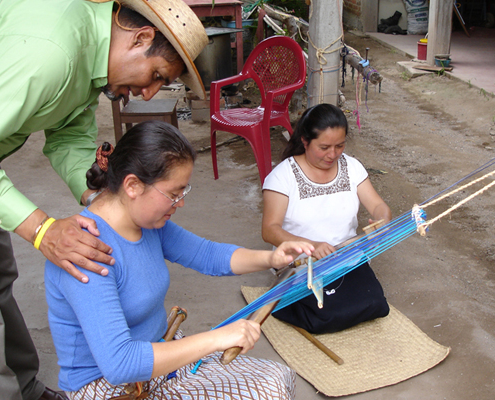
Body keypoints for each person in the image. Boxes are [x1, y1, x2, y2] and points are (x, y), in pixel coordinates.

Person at [0, 0, 208, 399]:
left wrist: (99, 197)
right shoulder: (50, 49)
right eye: (156, 75)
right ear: (141, 37)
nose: (148, 93)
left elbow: (68, 138)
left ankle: (25, 389)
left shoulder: (87, 62)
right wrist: (43, 230)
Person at [44, 120, 313, 399]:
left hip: (161, 354)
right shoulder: (84, 250)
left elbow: (207, 255)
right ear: (133, 185)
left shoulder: (146, 222)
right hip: (110, 387)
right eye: (173, 194)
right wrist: (216, 339)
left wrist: (272, 257)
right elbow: (120, 363)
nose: (180, 202)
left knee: (276, 377)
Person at [261, 103, 393, 334]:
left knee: (375, 304)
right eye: (324, 147)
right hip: (302, 265)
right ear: (305, 141)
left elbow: (378, 205)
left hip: (346, 257)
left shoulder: (352, 168)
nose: (333, 154)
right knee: (326, 316)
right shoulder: (282, 177)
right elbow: (269, 230)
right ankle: (283, 298)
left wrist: (382, 222)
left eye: (339, 146)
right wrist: (312, 246)